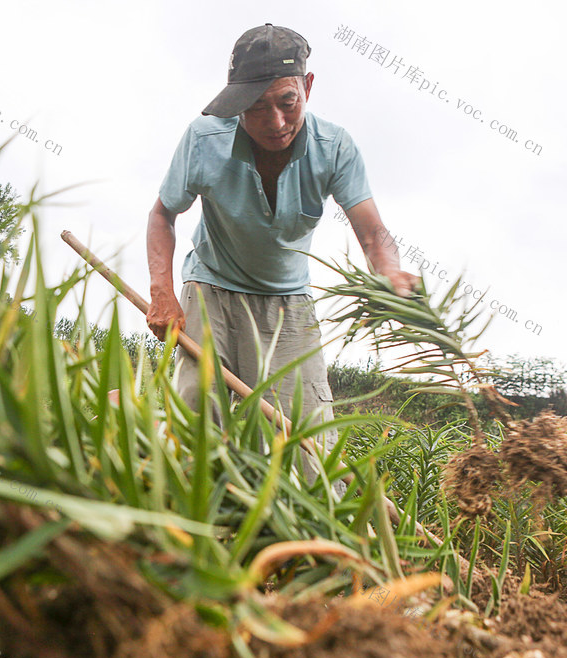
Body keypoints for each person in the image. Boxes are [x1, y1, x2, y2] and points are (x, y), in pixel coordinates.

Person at [146, 23, 417, 492]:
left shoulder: (334, 148)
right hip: (211, 288)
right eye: (256, 107)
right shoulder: (204, 140)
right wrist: (162, 293)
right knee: (195, 414)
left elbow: (372, 233)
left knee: (308, 440)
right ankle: (184, 529)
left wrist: (389, 273)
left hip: (289, 302)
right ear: (236, 103)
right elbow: (162, 216)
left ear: (307, 87)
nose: (275, 122)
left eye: (287, 102)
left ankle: (313, 544)